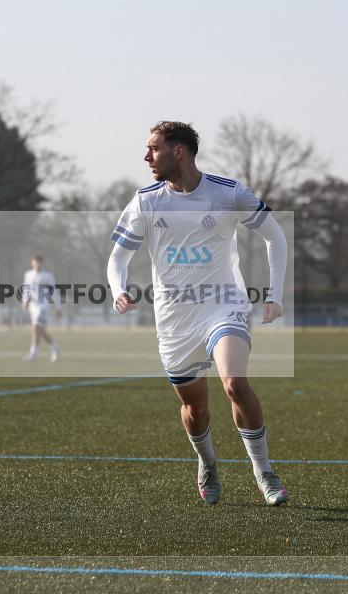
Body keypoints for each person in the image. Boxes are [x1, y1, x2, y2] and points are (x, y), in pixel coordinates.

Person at [107, 121, 289, 506]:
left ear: (178, 152)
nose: (146, 157)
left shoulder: (228, 193)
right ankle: (207, 462)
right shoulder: (146, 201)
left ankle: (263, 471)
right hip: (174, 319)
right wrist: (118, 289)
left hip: (224, 306)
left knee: (235, 383)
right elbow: (119, 256)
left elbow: (275, 236)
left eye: (153, 149)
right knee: (194, 409)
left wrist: (274, 294)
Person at [21, 255, 61, 362]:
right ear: (32, 263)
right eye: (36, 262)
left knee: (36, 328)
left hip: (44, 305)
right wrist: (25, 301)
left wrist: (58, 308)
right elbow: (26, 289)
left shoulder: (48, 276)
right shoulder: (28, 275)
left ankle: (33, 353)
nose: (38, 264)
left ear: (42, 263)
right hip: (33, 305)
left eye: (40, 262)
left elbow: (55, 292)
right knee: (41, 331)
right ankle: (55, 348)